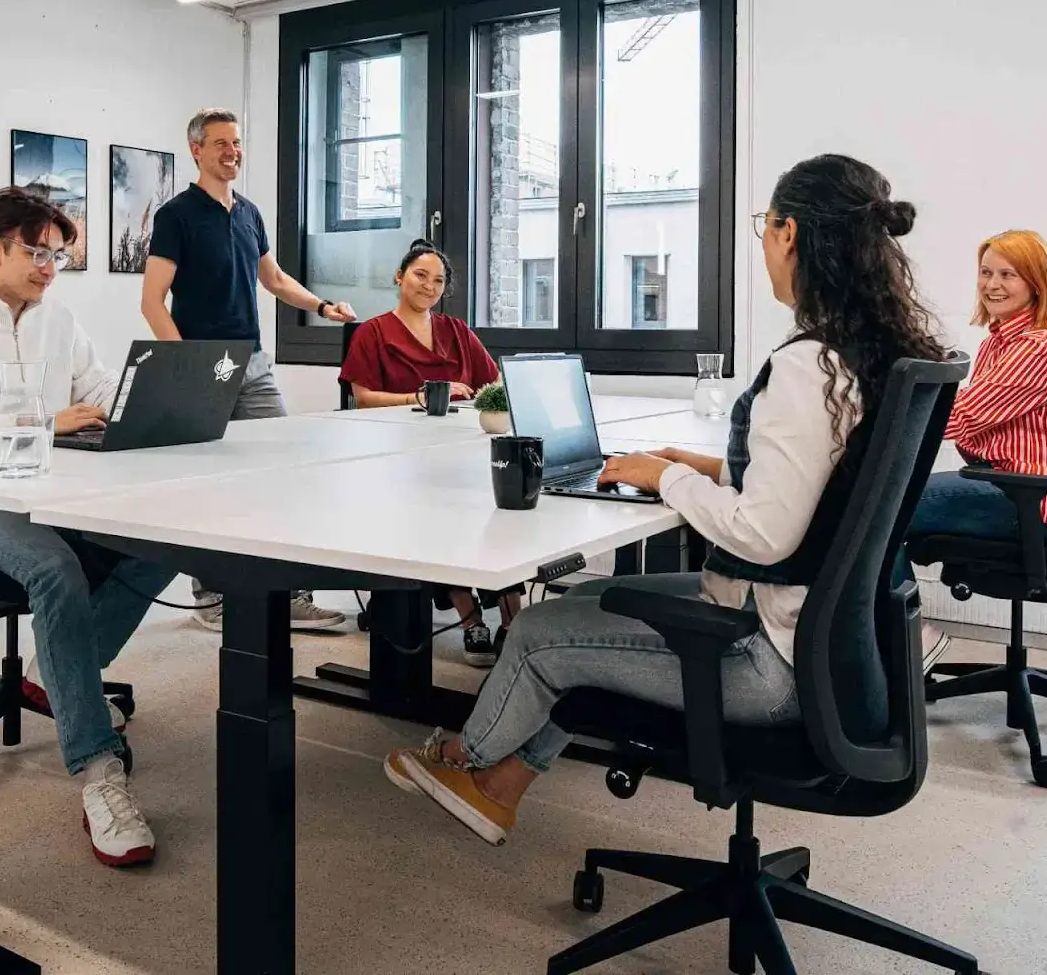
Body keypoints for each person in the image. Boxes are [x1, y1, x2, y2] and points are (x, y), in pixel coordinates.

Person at [382, 154, 944, 845]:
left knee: (536, 632)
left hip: (768, 660)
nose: (763, 244)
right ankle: (505, 785)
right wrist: (703, 465)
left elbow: (765, 535)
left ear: (790, 233)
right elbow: (824, 486)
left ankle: (467, 761)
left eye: (765, 226)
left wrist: (665, 479)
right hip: (824, 646)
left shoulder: (806, 365)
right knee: (593, 600)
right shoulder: (862, 355)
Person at [0, 187, 172, 869]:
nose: (50, 268)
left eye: (59, 256)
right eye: (37, 253)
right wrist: (40, 422)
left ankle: (58, 672)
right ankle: (99, 772)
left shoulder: (60, 320)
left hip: (49, 494)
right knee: (55, 569)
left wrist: (151, 406)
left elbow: (98, 391)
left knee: (166, 540)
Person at [141, 107, 356, 632]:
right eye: (220, 143)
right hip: (203, 365)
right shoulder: (175, 216)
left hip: (253, 363)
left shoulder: (250, 214)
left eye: (236, 142)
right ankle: (211, 597)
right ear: (196, 150)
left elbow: (275, 280)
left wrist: (322, 306)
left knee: (279, 474)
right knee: (210, 484)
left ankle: (289, 595)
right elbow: (151, 302)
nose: (232, 151)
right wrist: (184, 366)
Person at [898, 230, 1047, 670]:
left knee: (876, 513)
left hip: (1029, 501)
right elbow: (976, 426)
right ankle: (891, 640)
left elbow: (962, 418)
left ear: (1036, 283)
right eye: (987, 272)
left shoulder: (1038, 348)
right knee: (879, 507)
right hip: (1011, 488)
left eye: (1008, 274)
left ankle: (904, 641)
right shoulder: (999, 342)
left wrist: (873, 412)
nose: (993, 284)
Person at [339, 238, 520, 666]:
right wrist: (418, 398)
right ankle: (471, 619)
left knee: (500, 511)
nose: (429, 286)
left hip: (461, 447)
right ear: (399, 277)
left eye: (438, 281)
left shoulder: (457, 331)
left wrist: (489, 407)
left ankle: (515, 622)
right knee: (445, 514)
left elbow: (494, 382)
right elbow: (363, 398)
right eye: (420, 275)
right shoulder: (372, 332)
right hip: (400, 455)